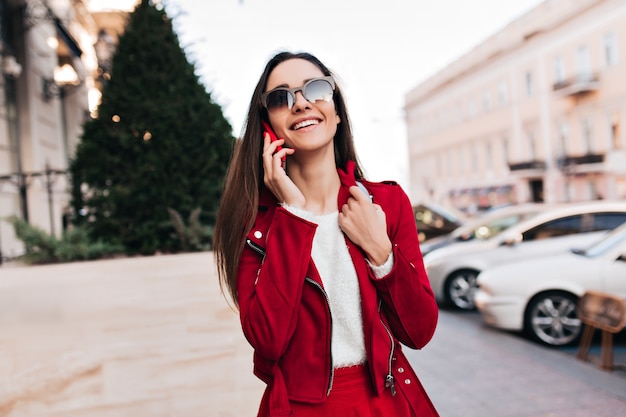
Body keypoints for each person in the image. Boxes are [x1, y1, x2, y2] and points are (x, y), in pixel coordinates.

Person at [213, 51, 439, 417]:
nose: (301, 103)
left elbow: (419, 331)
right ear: (268, 125)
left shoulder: (385, 203)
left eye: (316, 89)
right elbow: (268, 340)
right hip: (300, 408)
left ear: (335, 110)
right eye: (281, 98)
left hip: (386, 402)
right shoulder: (255, 223)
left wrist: (381, 254)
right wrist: (293, 214)